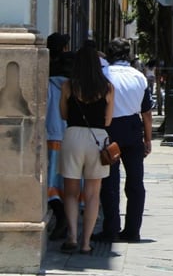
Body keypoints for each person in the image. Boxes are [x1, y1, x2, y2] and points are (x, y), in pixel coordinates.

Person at [94, 38, 153, 243]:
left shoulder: (104, 75)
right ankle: (132, 230)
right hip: (133, 128)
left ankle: (111, 228)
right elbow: (146, 113)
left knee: (109, 182)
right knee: (136, 182)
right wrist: (148, 139)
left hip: (109, 129)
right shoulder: (139, 77)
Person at [58, 42, 114, 254]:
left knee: (71, 192)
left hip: (73, 136)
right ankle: (86, 243)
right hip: (97, 139)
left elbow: (63, 114)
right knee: (93, 194)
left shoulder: (68, 86)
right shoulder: (107, 87)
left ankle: (72, 236)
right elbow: (108, 120)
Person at [46, 32, 72, 241]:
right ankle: (67, 223)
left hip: (52, 134)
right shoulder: (73, 82)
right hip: (70, 135)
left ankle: (60, 216)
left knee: (51, 182)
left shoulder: (48, 81)